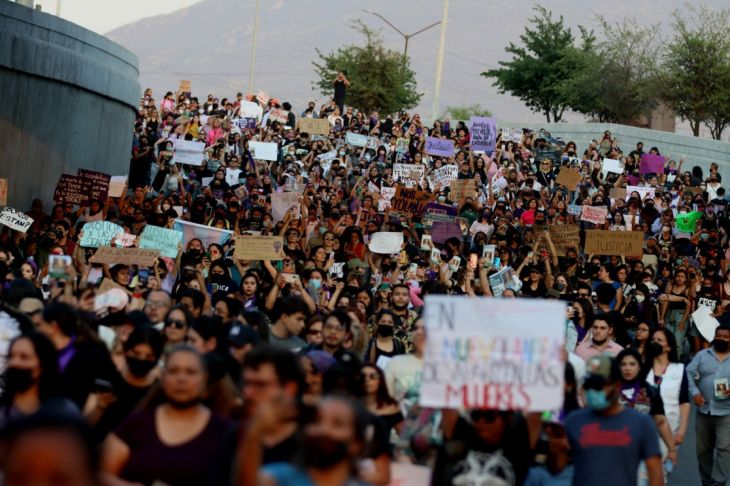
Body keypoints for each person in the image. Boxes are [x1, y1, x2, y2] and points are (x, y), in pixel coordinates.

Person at [101, 345, 236, 485]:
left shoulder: (225, 432)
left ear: (205, 378)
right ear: (163, 376)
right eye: (173, 371)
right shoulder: (136, 424)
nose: (181, 378)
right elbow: (102, 476)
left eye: (190, 372)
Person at [565, 354, 664, 486]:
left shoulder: (641, 424)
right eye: (590, 385)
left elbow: (655, 474)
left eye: (599, 386)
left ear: (617, 385)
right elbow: (558, 468)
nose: (594, 391)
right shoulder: (573, 421)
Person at [242, 395, 370, 486]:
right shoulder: (280, 477)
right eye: (316, 420)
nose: (323, 429)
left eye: (337, 424)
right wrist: (254, 433)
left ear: (357, 443)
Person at [0, 333, 77, 427]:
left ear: (44, 363)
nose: (14, 362)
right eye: (11, 356)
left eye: (24, 357)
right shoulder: (4, 404)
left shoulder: (62, 414)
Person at [686, 325, 730, 486]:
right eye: (719, 335)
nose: (721, 339)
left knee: (725, 448)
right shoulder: (702, 355)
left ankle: (719, 481)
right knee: (703, 450)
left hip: (726, 412)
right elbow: (688, 372)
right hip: (704, 410)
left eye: (725, 336)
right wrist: (695, 393)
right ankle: (707, 480)